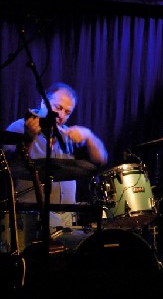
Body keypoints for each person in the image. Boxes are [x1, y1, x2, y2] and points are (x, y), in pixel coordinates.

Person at [3, 82, 108, 232]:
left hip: (66, 219)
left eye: (67, 112)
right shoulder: (19, 127)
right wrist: (29, 138)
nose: (62, 115)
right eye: (58, 108)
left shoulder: (66, 134)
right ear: (43, 102)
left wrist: (89, 136)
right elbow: (11, 167)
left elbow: (101, 159)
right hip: (29, 219)